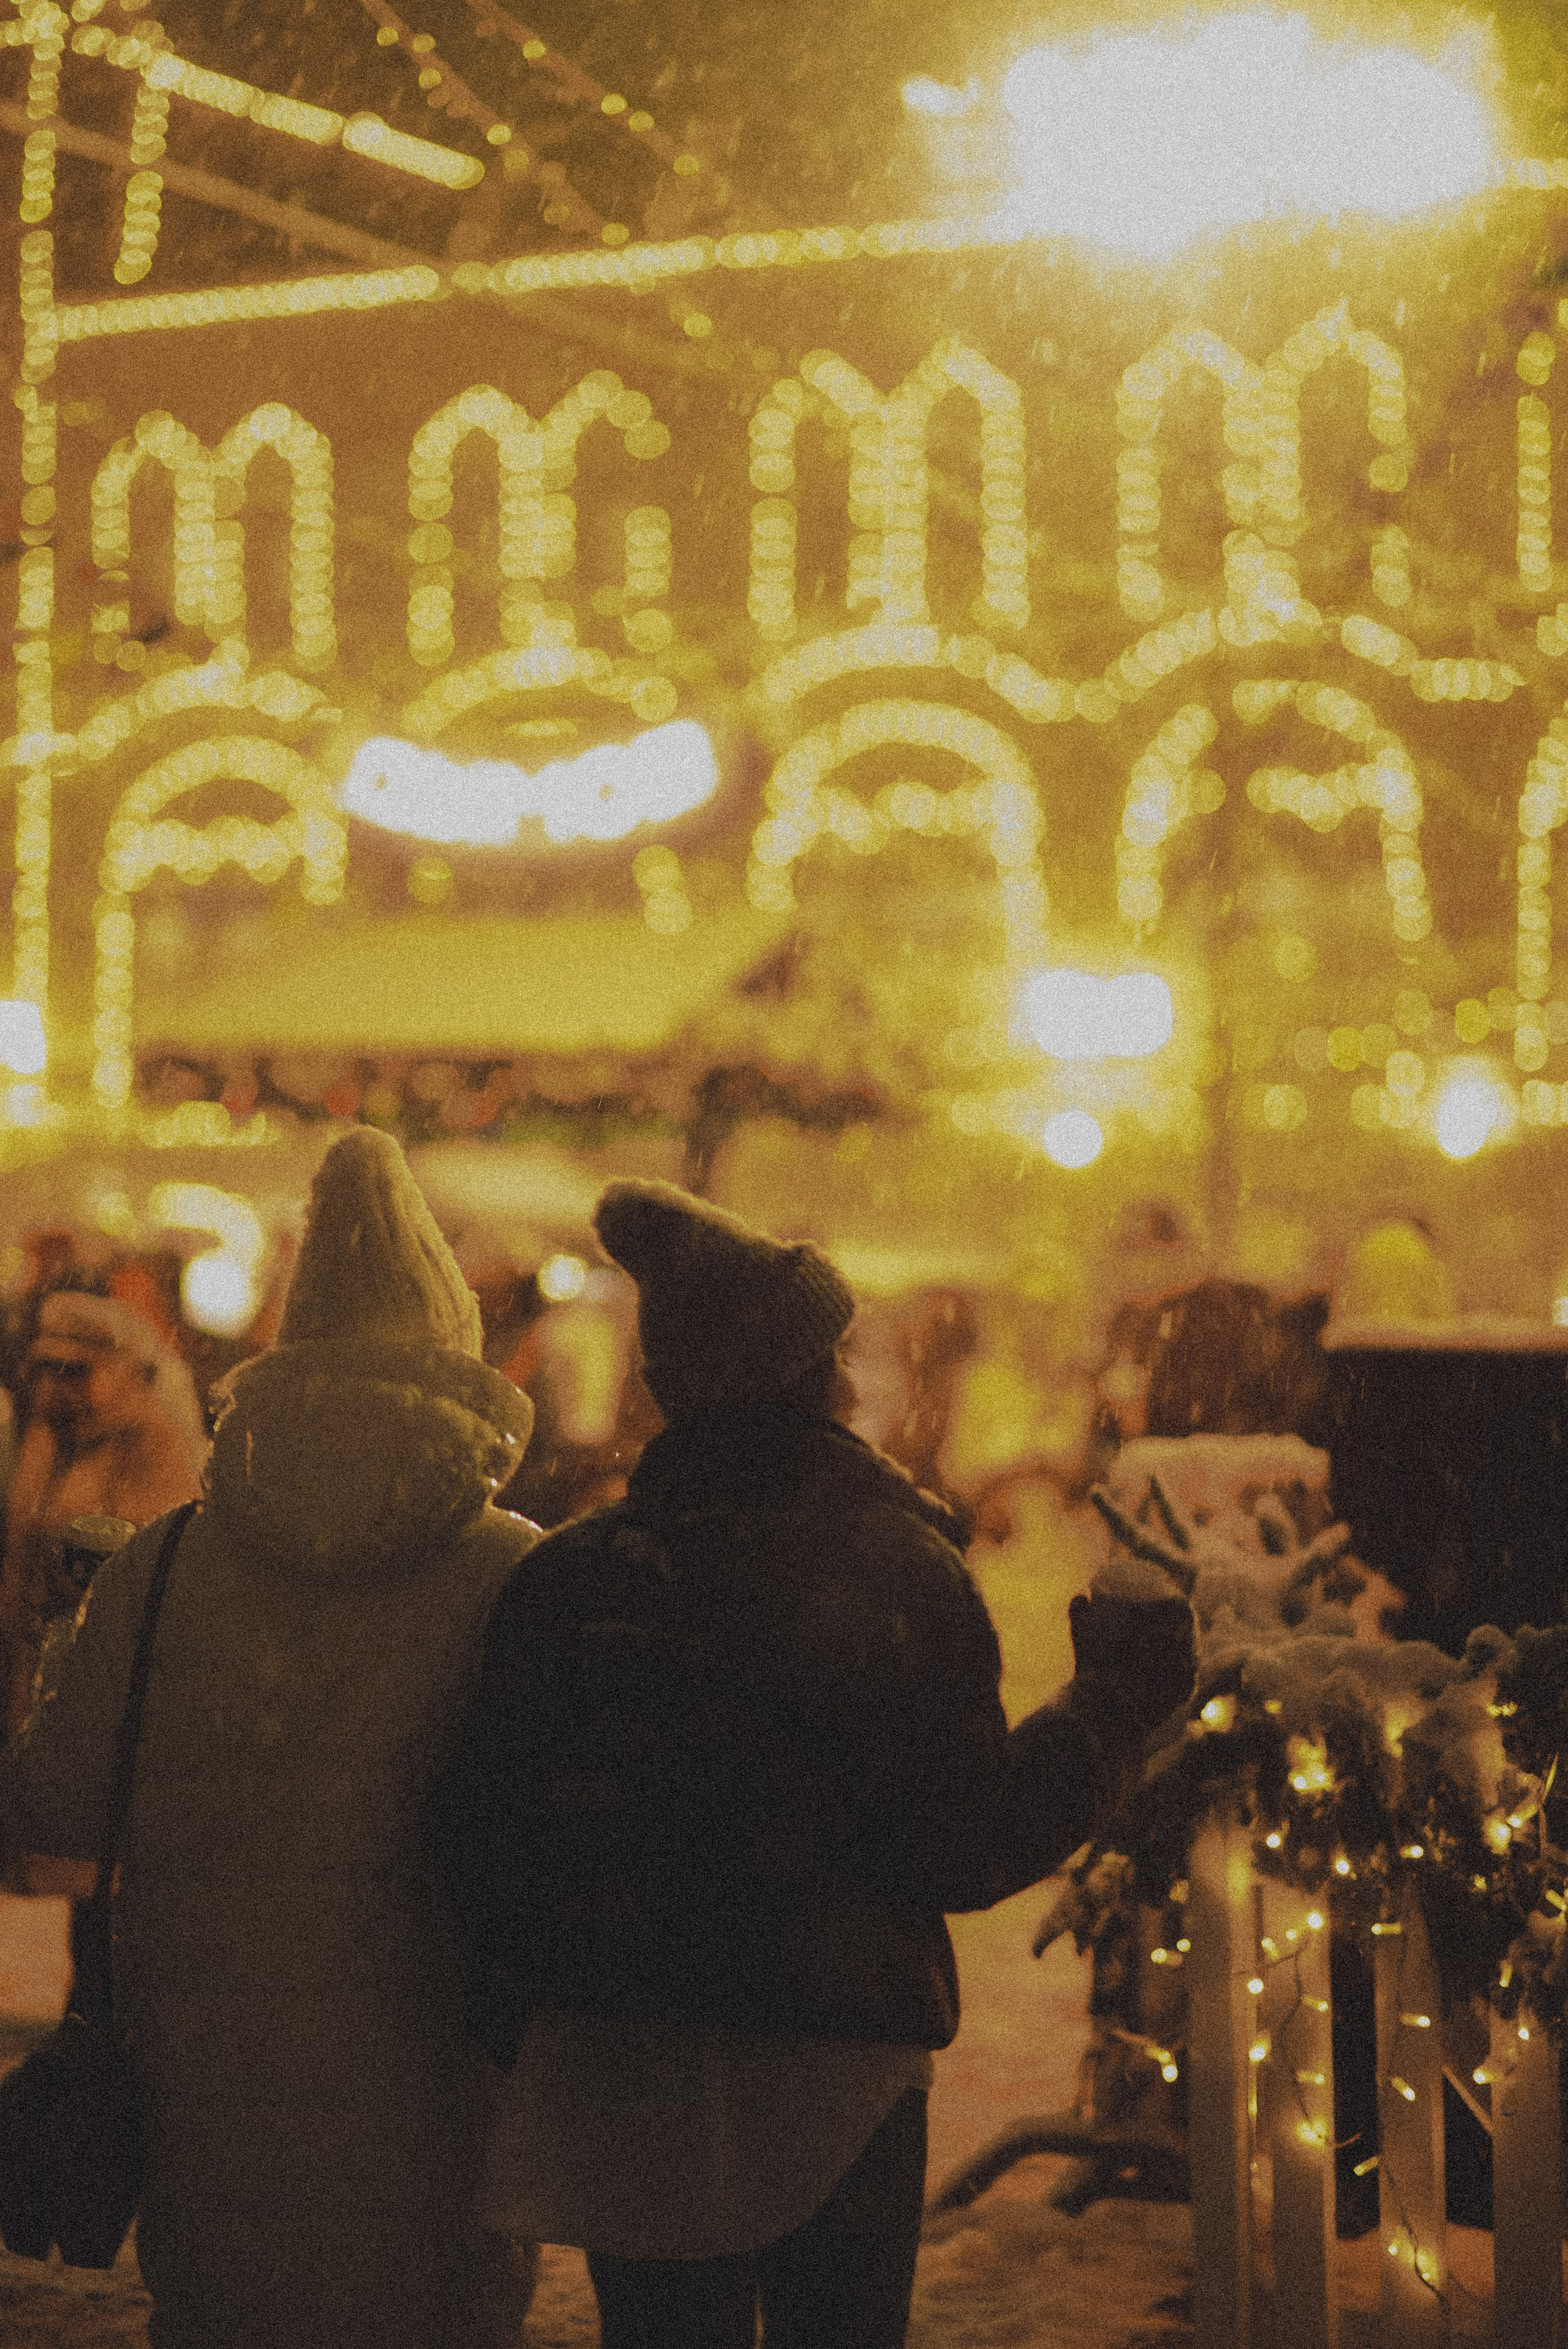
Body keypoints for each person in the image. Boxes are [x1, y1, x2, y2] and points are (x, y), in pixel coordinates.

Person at [428, 1179, 1196, 2349]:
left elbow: (480, 1827)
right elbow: (967, 1838)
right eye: (836, 1353)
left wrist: (544, 1995)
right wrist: (1110, 1707)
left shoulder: (577, 1579)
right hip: (837, 2069)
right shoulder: (893, 1572)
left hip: (622, 2063)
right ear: (808, 1378)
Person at [1, 1128, 541, 2349]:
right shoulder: (513, 1576)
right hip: (433, 2066)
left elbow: (56, 1803)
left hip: (212, 2075)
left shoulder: (169, 1565)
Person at [0, 1288, 208, 1743]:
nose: (57, 1386)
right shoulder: (50, 1435)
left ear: (128, 1371)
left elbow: (152, 1572)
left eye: (77, 1370)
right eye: (47, 1368)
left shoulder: (154, 1445)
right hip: (30, 1665)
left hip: (104, 1685)